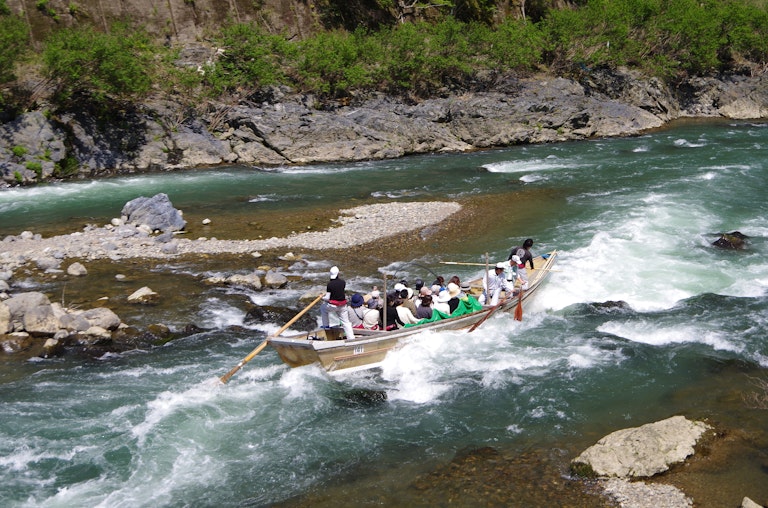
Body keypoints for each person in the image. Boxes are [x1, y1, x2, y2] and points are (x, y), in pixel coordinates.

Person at [320, 266, 356, 340]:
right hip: (342, 305)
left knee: (323, 308)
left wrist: (321, 297)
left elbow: (327, 298)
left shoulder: (330, 284)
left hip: (333, 306)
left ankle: (326, 326)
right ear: (338, 273)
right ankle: (351, 338)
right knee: (346, 322)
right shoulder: (343, 282)